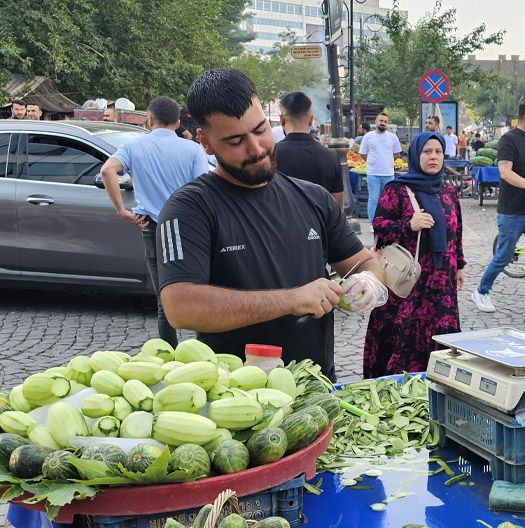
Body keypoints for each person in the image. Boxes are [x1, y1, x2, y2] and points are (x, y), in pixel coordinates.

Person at [155, 68, 387, 380]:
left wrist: (369, 281)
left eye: (261, 130)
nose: (257, 149)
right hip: (237, 402)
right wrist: (292, 299)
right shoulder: (188, 208)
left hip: (318, 391)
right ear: (205, 142)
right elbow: (179, 306)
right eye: (235, 141)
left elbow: (364, 263)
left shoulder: (314, 198)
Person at [100, 96, 209, 347]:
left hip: (153, 228)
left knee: (165, 301)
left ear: (150, 120)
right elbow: (204, 190)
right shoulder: (192, 149)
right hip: (188, 230)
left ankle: (170, 358)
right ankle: (204, 353)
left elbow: (107, 171)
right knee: (200, 294)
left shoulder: (133, 146)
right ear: (178, 122)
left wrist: (121, 210)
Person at [364, 132, 465, 377]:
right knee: (403, 335)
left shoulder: (449, 191)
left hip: (442, 282)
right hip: (408, 282)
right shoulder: (397, 190)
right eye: (427, 152)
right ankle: (396, 383)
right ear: (416, 155)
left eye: (438, 152)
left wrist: (460, 265)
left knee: (440, 337)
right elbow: (379, 225)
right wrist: (408, 225)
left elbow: (456, 229)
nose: (433, 157)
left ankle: (437, 380)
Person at [472, 96, 525, 312]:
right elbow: (505, 172)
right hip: (512, 212)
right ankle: (481, 290)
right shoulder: (509, 140)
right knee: (504, 256)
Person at [274, 91, 344, 209]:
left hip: (280, 226)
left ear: (282, 119)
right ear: (311, 120)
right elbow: (338, 207)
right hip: (320, 226)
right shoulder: (330, 157)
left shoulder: (271, 155)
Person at [359, 112, 402, 225]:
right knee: (373, 200)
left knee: (388, 200)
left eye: (385, 121)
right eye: (381, 121)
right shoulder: (368, 136)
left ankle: (386, 223)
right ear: (376, 122)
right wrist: (373, 162)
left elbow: (397, 154)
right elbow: (362, 154)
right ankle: (373, 224)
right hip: (373, 174)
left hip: (388, 174)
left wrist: (387, 161)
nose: (383, 123)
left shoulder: (392, 137)